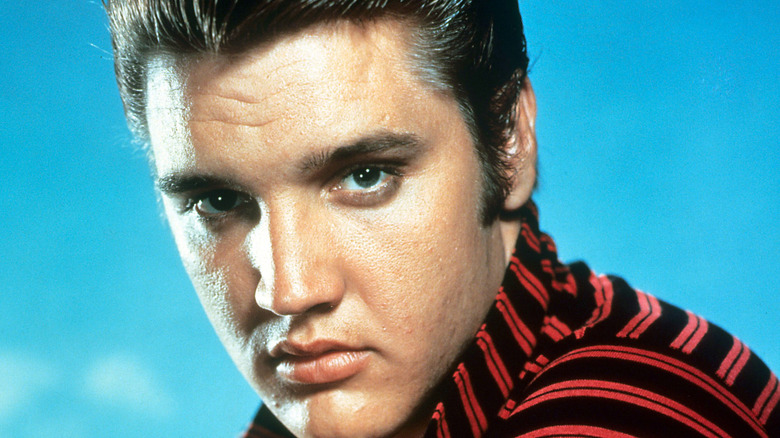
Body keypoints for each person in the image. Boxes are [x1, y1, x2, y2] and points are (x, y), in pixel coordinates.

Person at [105, 1, 779, 437]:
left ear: (509, 140)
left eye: (365, 176)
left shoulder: (623, 417)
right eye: (217, 202)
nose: (287, 290)